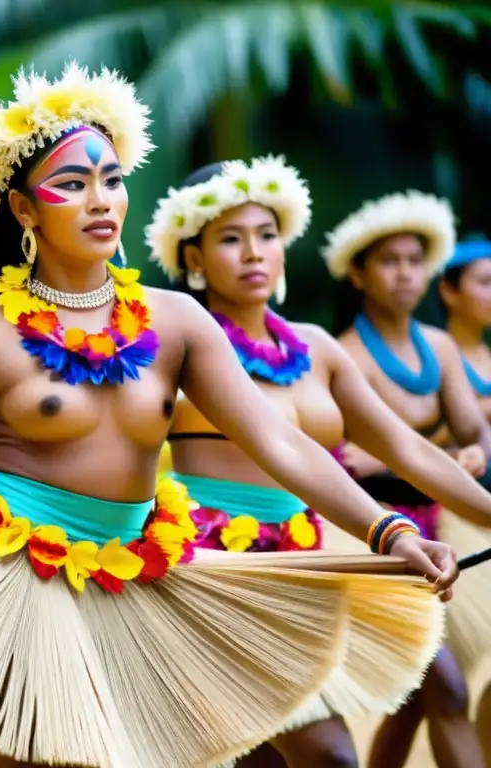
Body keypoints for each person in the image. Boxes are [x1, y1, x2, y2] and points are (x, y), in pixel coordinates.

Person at [0, 62, 458, 768]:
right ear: (24, 209)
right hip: (13, 582)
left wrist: (388, 530)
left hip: (143, 580)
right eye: (72, 184)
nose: (101, 199)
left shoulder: (178, 323)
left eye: (111, 178)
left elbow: (279, 444)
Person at [145, 158, 491, 768]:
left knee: (279, 759)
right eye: (230, 239)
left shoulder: (317, 348)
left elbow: (407, 450)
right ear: (194, 259)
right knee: (327, 755)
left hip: (312, 553)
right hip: (219, 570)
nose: (254, 253)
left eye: (267, 235)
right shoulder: (180, 348)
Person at [323, 193, 491, 768]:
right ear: (358, 273)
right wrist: (439, 455)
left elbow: (473, 432)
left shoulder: (440, 348)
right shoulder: (347, 356)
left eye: (415, 260)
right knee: (444, 686)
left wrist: (470, 453)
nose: (405, 273)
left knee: (419, 699)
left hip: (441, 527)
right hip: (369, 536)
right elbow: (339, 463)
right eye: (389, 260)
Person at [435, 234, 491, 762]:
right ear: (449, 291)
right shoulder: (440, 354)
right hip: (452, 521)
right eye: (484, 282)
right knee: (438, 688)